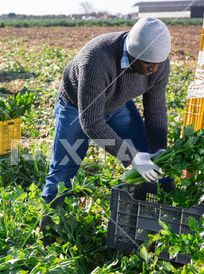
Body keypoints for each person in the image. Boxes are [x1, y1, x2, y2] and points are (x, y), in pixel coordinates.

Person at [41, 17, 172, 208]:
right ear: (133, 53)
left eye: (159, 63)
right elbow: (91, 122)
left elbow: (155, 109)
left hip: (118, 105)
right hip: (76, 109)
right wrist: (132, 157)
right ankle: (50, 230)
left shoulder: (157, 64)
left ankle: (146, 209)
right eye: (148, 64)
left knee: (148, 152)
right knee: (63, 170)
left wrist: (160, 148)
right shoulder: (96, 59)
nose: (154, 69)